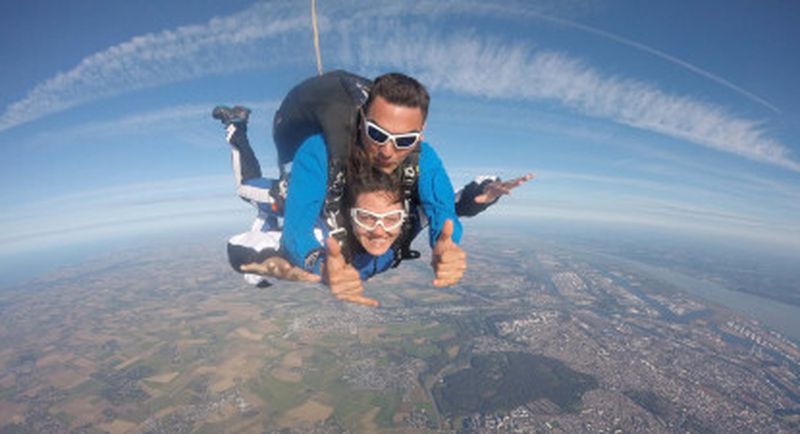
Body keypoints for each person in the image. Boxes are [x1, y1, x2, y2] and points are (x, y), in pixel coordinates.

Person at [214, 104, 533, 305]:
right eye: (367, 219)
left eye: (390, 220)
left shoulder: (406, 219)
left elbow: (450, 205)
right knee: (247, 190)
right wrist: (292, 264)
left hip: (325, 205)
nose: (381, 232)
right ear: (350, 216)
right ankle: (235, 127)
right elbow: (243, 251)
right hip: (293, 200)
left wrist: (486, 192)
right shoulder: (320, 233)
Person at [278, 72, 466, 287]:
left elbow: (441, 207)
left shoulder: (424, 157)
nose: (387, 151)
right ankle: (237, 131)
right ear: (362, 120)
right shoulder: (320, 150)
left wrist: (447, 245)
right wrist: (319, 263)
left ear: (420, 134)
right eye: (377, 134)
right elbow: (296, 228)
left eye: (404, 140)